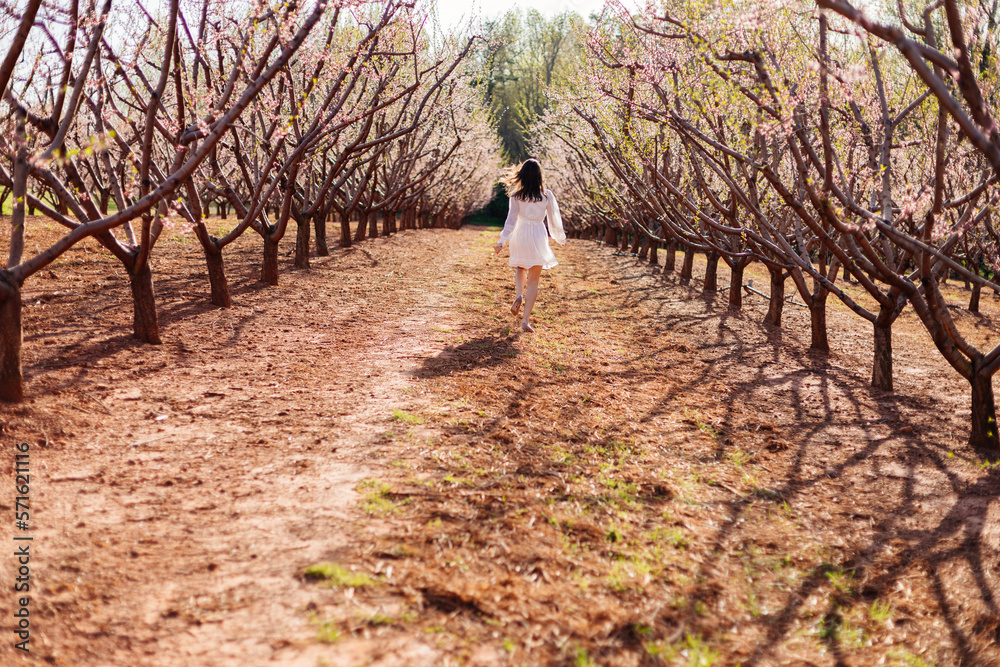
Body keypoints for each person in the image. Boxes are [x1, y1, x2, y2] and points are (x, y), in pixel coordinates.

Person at [493, 159, 566, 332]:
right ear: (540, 176)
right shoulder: (546, 195)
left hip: (521, 232)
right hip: (538, 234)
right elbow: (554, 219)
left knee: (520, 267)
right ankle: (525, 320)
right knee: (534, 280)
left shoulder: (516, 196)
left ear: (522, 176)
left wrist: (502, 241)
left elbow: (510, 221)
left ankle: (518, 294)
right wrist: (560, 238)